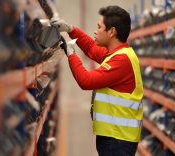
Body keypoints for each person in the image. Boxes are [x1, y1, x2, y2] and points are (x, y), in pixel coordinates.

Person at [52, 5, 143, 156]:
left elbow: (86, 81)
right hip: (116, 136)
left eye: (99, 27)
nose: (95, 31)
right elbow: (90, 48)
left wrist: (71, 54)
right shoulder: (119, 53)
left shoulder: (121, 60)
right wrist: (70, 29)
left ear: (112, 31)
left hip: (118, 139)